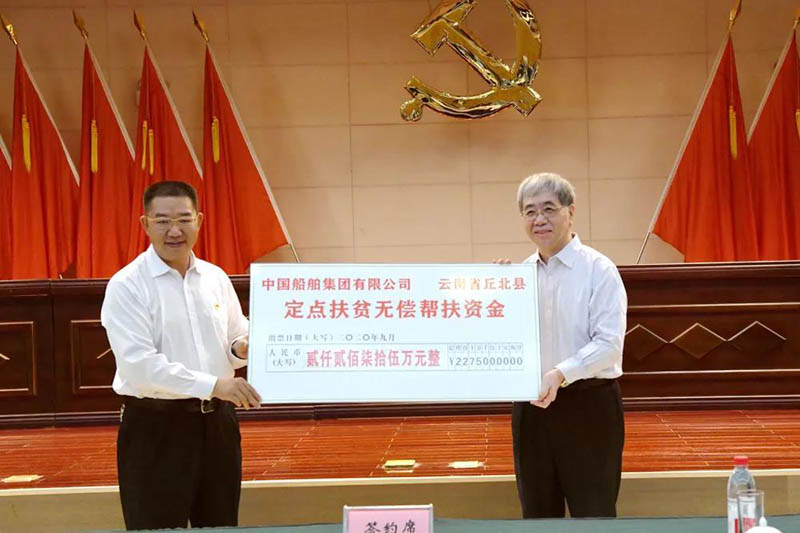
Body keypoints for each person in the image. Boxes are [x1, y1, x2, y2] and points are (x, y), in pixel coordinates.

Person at [101, 180, 262, 530]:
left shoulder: (215, 278)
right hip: (156, 427)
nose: (174, 231)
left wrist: (242, 348)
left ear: (199, 221)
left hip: (218, 426)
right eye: (162, 221)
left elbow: (234, 338)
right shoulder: (127, 285)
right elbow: (140, 367)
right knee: (157, 527)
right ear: (145, 224)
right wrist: (215, 385)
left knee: (220, 524)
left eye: (184, 219)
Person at [501, 172, 627, 518]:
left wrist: (560, 373)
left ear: (570, 212)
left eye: (549, 209)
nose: (539, 219)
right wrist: (496, 291)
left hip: (588, 406)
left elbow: (609, 344)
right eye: (530, 211)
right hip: (532, 410)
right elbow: (509, 340)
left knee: (594, 514)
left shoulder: (599, 270)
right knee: (538, 514)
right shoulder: (518, 276)